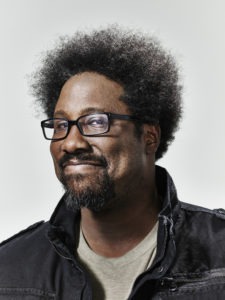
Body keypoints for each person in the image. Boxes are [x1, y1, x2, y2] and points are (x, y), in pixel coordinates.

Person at [0, 25, 225, 300]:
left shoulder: (219, 253)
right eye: (60, 125)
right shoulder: (10, 270)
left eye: (95, 121)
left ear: (149, 136)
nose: (71, 143)